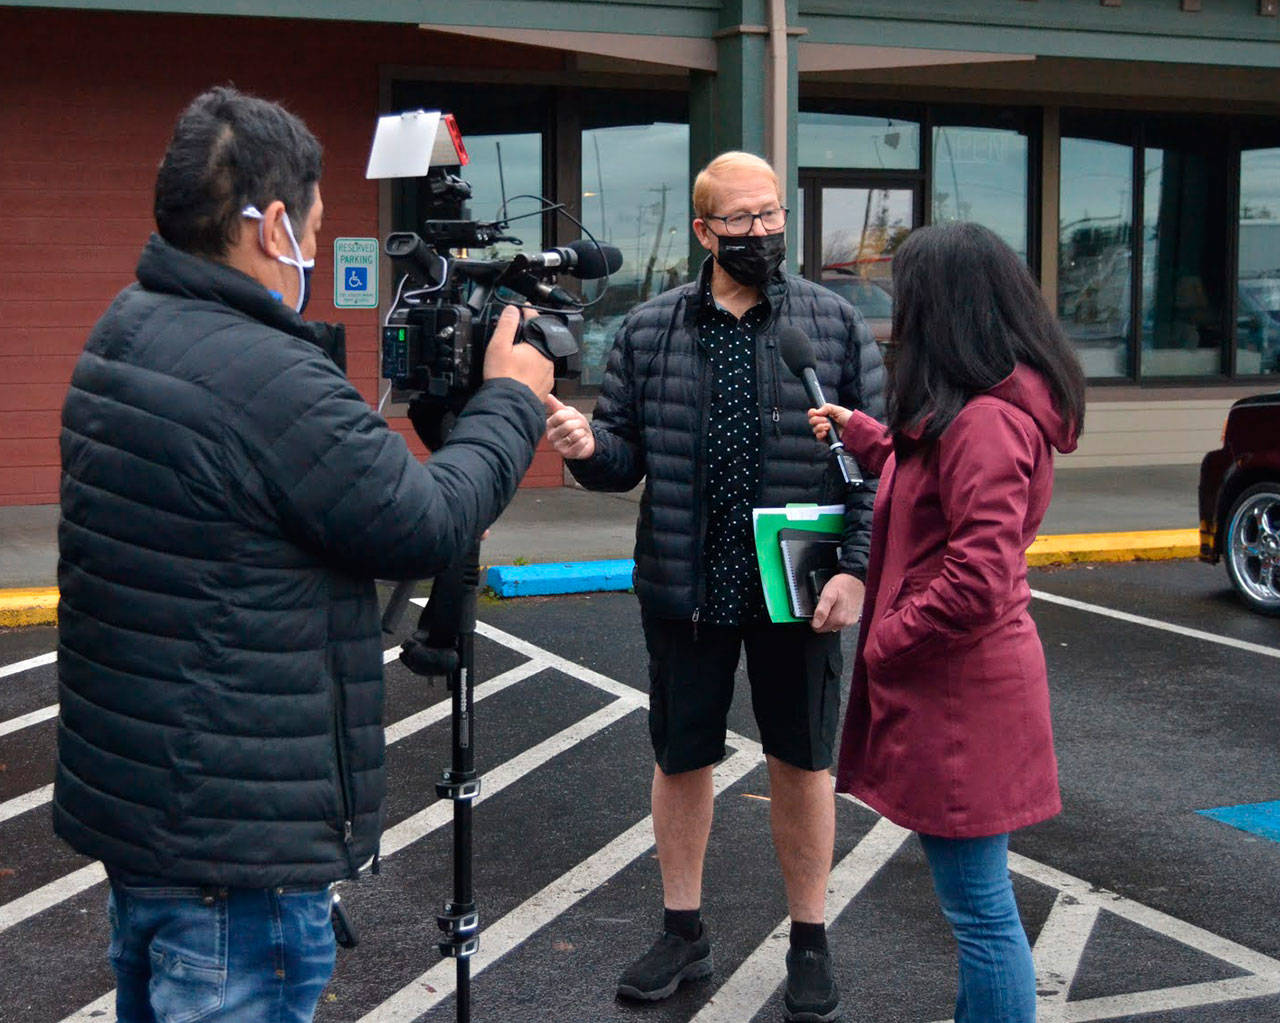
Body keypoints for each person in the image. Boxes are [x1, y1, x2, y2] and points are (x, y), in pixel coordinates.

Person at [53, 86, 553, 1023]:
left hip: (153, 817)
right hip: (239, 856)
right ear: (274, 225)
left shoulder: (125, 327)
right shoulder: (265, 373)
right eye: (316, 229)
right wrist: (512, 399)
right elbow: (425, 521)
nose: (315, 250)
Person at [545, 151, 885, 1021]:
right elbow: (623, 456)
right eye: (742, 219)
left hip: (796, 587)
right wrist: (586, 449)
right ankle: (682, 929)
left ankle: (809, 939)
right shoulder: (649, 330)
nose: (762, 232)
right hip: (686, 583)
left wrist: (855, 568)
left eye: (772, 215)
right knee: (681, 757)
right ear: (704, 230)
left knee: (801, 763)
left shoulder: (833, 325)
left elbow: (876, 469)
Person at [808, 221, 1086, 1023]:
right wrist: (865, 436)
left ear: (947, 308)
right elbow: (929, 470)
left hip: (965, 701)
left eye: (908, 296)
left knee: (981, 911)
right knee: (976, 904)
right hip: (960, 688)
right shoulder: (975, 407)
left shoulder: (989, 421)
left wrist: (887, 638)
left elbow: (976, 577)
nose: (899, 315)